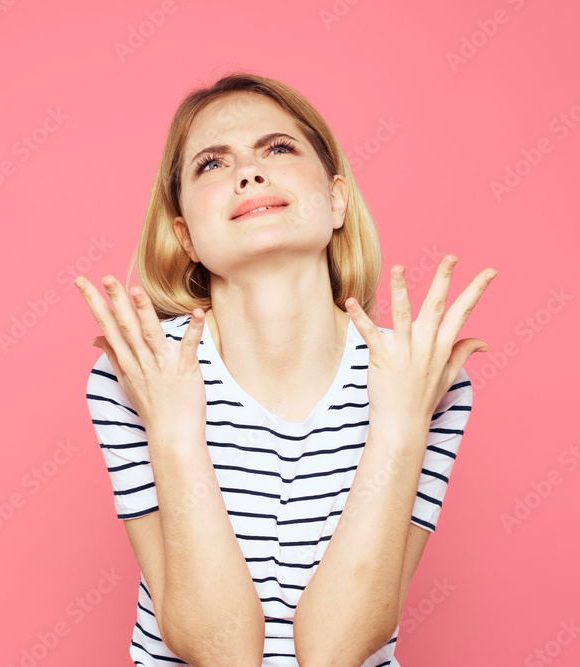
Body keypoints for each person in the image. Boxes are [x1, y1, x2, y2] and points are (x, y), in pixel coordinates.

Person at [76, 72, 495, 666]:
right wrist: (173, 430)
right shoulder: (137, 374)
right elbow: (219, 654)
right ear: (185, 237)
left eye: (278, 149)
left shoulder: (422, 377)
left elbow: (336, 650)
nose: (248, 173)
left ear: (335, 200)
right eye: (212, 164)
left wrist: (400, 425)